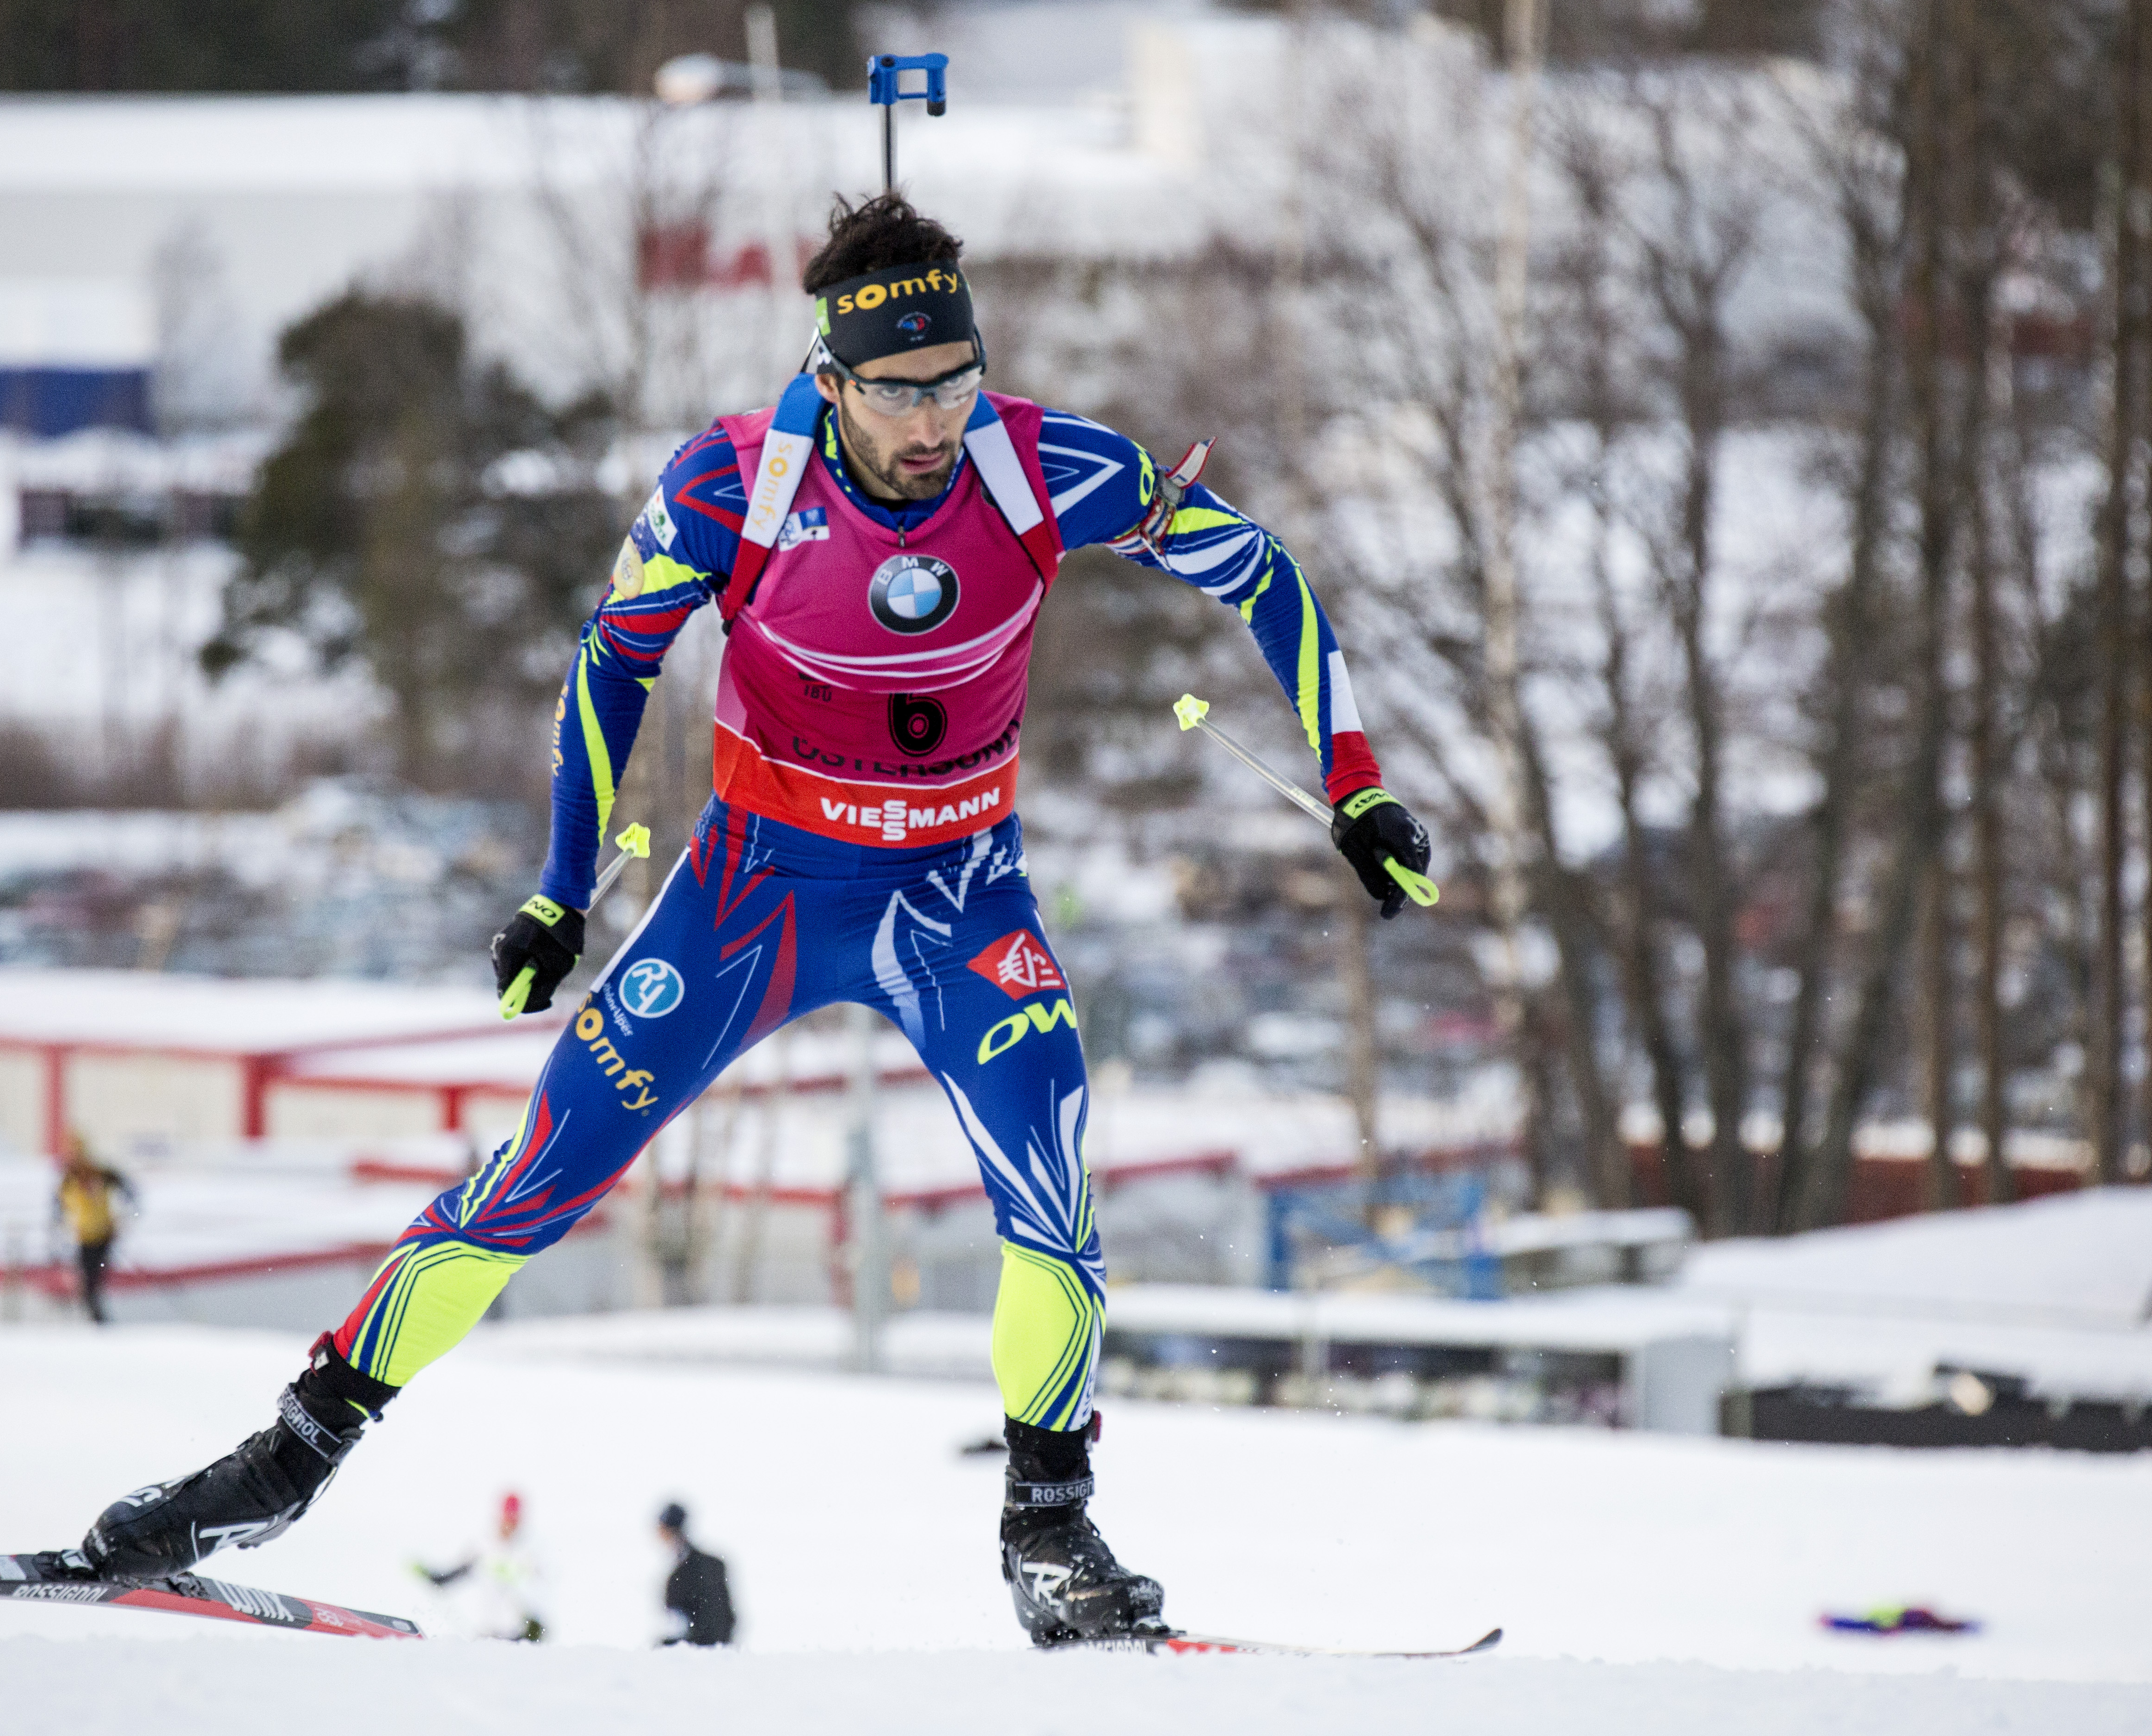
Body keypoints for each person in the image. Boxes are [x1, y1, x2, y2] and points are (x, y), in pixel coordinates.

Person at [78, 192, 1433, 1646]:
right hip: (755, 893)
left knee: (1054, 1183)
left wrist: (1353, 786)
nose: (936, 423)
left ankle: (1048, 1528)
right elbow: (609, 669)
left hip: (956, 898)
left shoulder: (1041, 469)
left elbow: (1265, 572)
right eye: (903, 394)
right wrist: (558, 888)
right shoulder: (735, 485)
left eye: (958, 381)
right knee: (530, 1180)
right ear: (831, 377)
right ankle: (279, 1464)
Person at [413, 1490, 548, 1641]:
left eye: (514, 1521)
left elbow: (542, 1593)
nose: (510, 1526)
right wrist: (429, 1576)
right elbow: (451, 1577)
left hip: (518, 1636)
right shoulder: (482, 1548)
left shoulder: (530, 1552)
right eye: (507, 1520)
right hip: (487, 1635)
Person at [54, 1134, 137, 1324]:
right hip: (83, 1237)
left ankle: (101, 1325)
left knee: (93, 1283)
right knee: (88, 1285)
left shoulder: (103, 1174)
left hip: (104, 1236)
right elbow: (58, 1209)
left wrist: (126, 1217)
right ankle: (99, 1324)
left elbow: (131, 1194)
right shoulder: (68, 1180)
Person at [656, 1502, 735, 1647]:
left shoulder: (694, 1568)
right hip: (710, 1649)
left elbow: (716, 1622)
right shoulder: (708, 1564)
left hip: (702, 1653)